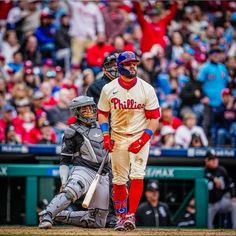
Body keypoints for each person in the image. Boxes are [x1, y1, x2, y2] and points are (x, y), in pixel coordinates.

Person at [97, 51, 160, 231]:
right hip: (118, 137)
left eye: (134, 63)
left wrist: (143, 140)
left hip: (139, 136)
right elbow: (102, 113)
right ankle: (120, 216)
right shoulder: (109, 89)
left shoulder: (146, 88)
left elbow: (154, 117)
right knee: (119, 179)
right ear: (119, 67)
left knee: (137, 175)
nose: (133, 66)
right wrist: (106, 136)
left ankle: (130, 215)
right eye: (128, 64)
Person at [38, 96, 110, 229]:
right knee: (72, 190)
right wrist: (64, 181)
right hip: (84, 168)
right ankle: (47, 215)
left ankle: (58, 215)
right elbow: (64, 160)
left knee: (97, 222)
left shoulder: (105, 126)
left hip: (104, 173)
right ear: (76, 111)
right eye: (84, 109)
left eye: (90, 107)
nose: (89, 111)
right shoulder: (72, 131)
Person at [204, 149, 236, 229]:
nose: (214, 161)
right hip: (208, 205)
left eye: (215, 158)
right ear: (206, 161)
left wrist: (233, 196)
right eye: (211, 159)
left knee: (234, 205)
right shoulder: (204, 171)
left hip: (220, 201)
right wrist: (213, 178)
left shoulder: (222, 170)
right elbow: (205, 174)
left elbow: (230, 184)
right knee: (207, 226)